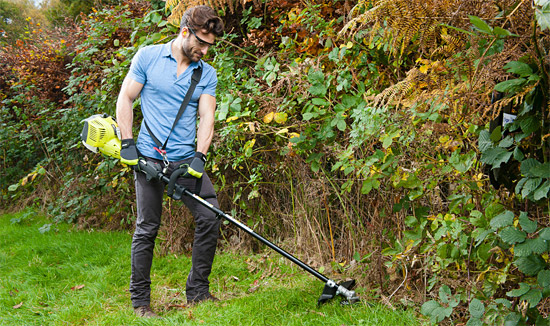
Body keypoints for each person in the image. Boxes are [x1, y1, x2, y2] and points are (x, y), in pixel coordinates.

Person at [115, 5, 225, 318]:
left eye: (209, 46)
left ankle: (198, 292)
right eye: (201, 43)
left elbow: (207, 116)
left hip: (184, 161)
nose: (204, 50)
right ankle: (141, 303)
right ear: (185, 31)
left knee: (210, 216)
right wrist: (127, 144)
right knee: (147, 227)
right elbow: (126, 97)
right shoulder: (148, 57)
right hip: (149, 156)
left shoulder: (206, 73)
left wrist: (200, 157)